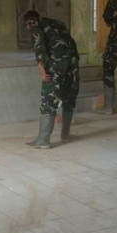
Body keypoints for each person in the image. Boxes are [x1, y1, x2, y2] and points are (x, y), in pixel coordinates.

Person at [24, 10, 80, 149]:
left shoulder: (35, 23)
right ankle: (65, 134)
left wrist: (41, 68)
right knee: (68, 97)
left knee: (49, 99)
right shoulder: (57, 24)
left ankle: (43, 139)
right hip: (72, 63)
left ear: (29, 21)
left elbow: (38, 45)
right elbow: (71, 42)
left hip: (56, 64)